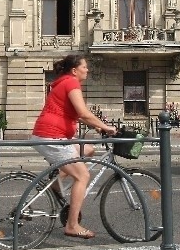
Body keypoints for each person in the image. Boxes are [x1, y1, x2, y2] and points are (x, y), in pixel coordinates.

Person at [31, 54, 116, 239]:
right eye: (84, 67)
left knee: (88, 150)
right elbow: (83, 113)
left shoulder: (64, 82)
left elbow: (75, 114)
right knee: (83, 175)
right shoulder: (71, 83)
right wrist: (106, 127)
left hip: (50, 134)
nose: (87, 70)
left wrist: (97, 125)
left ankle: (55, 182)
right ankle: (72, 225)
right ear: (74, 70)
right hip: (52, 136)